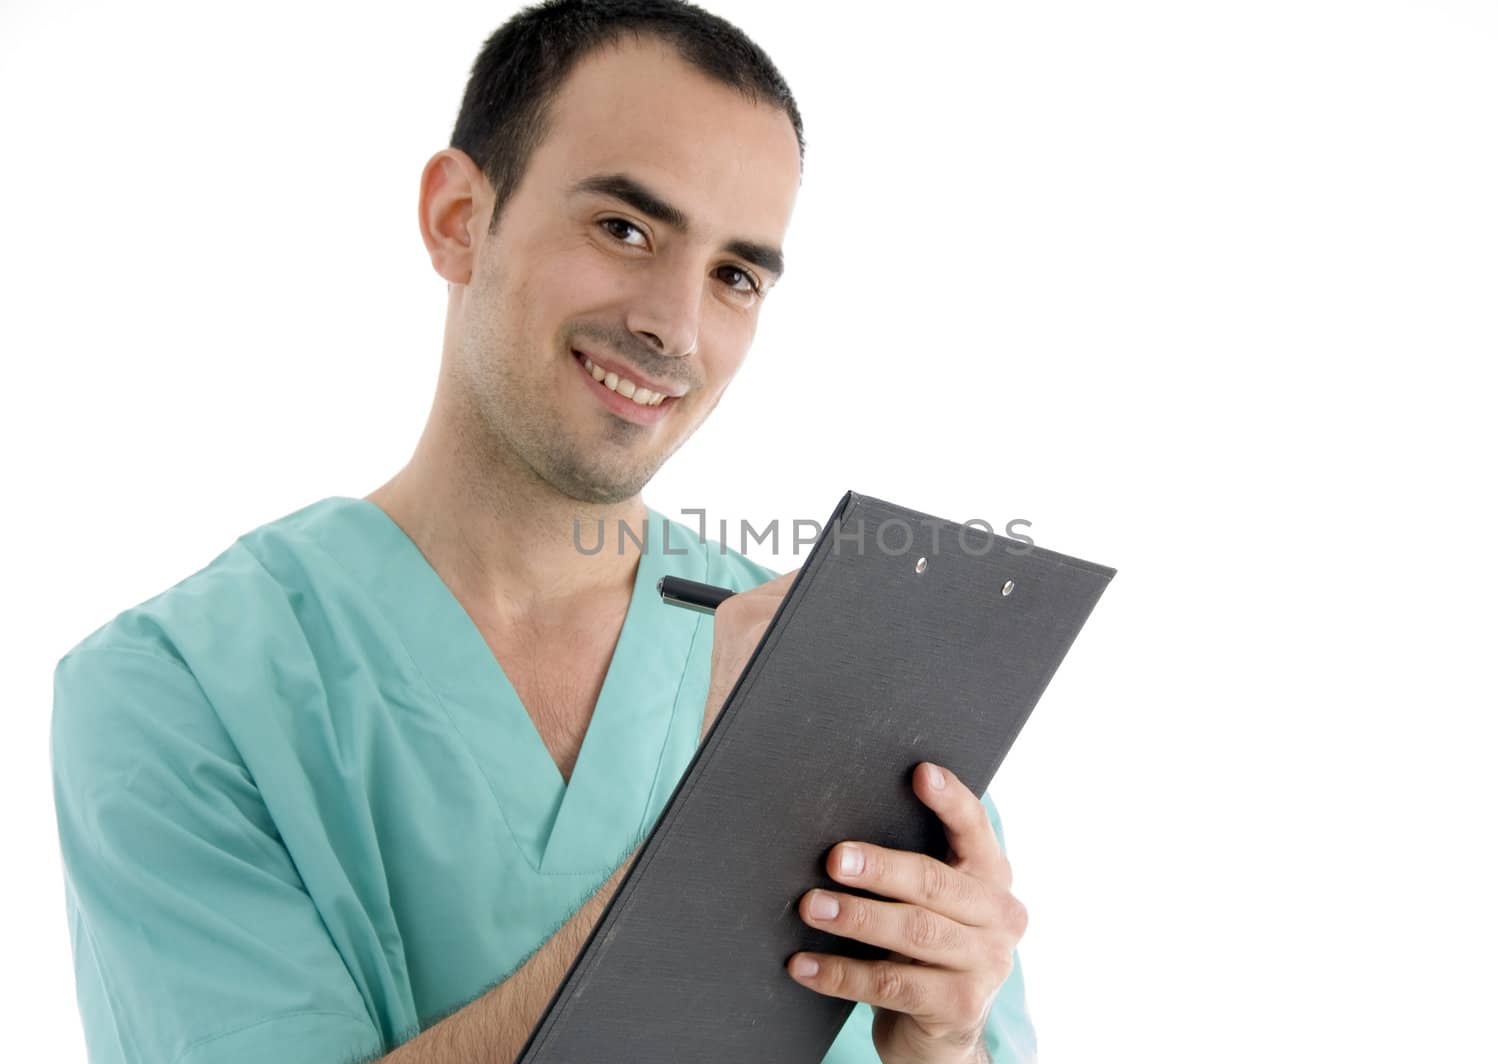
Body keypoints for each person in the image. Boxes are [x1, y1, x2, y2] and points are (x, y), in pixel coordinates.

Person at [49, 2, 1038, 1061]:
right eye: (624, 228)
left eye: (734, 275)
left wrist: (941, 1042)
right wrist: (717, 829)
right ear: (458, 216)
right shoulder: (177, 687)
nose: (675, 325)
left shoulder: (836, 667)